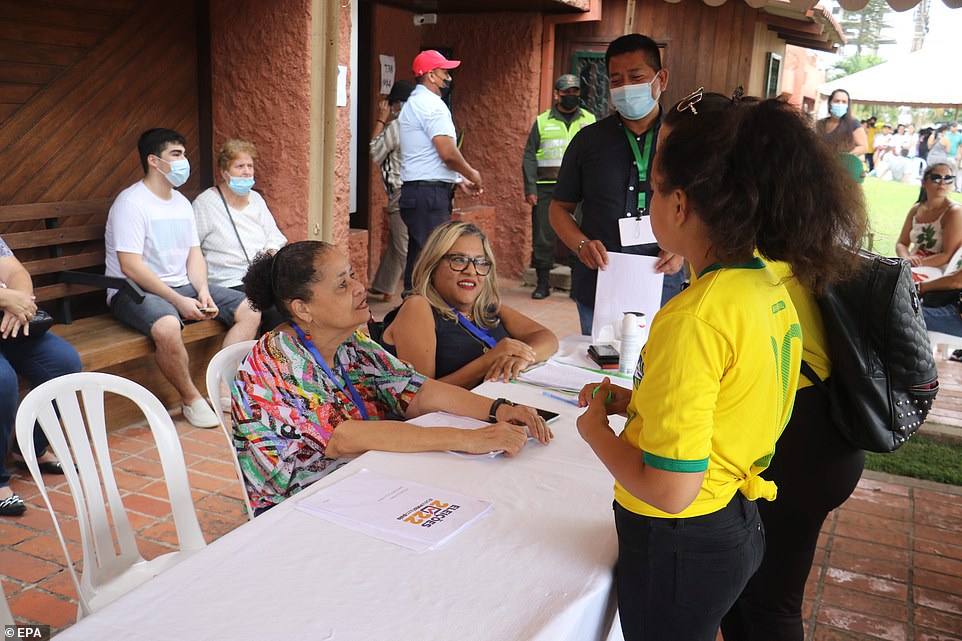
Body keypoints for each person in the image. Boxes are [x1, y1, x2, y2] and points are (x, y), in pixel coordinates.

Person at [573, 97, 867, 640]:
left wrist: (594, 431)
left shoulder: (695, 318)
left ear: (680, 205)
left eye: (656, 190)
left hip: (678, 539)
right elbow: (737, 399)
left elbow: (669, 490)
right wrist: (638, 402)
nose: (652, 202)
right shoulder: (763, 286)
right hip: (736, 518)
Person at [232, 241, 553, 515]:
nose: (359, 287)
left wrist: (499, 409)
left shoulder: (352, 344)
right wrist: (470, 438)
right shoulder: (279, 359)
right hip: (300, 509)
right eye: (342, 284)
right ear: (303, 309)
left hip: (366, 480)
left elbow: (416, 390)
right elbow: (343, 437)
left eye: (353, 276)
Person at [105, 128, 260, 429]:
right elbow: (131, 267)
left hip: (182, 285)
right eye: (176, 155)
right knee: (167, 325)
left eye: (184, 154)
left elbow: (194, 255)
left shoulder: (181, 202)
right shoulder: (131, 203)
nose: (183, 161)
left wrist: (202, 291)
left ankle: (220, 385)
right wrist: (177, 300)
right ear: (153, 160)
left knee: (251, 309)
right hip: (131, 289)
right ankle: (190, 398)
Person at [549, 34, 685, 336]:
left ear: (661, 78)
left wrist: (684, 250)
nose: (626, 88)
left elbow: (704, 208)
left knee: (655, 373)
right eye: (616, 80)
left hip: (663, 284)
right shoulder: (588, 141)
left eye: (636, 77)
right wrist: (580, 244)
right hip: (599, 285)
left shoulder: (683, 142)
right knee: (600, 371)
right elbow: (559, 208)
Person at [380, 221, 558, 388]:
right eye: (458, 260)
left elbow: (546, 337)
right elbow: (420, 393)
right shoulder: (418, 307)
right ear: (433, 265)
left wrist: (522, 358)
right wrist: (489, 360)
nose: (471, 271)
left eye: (480, 262)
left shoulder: (485, 307)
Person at [0, 236, 82, 516]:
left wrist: (20, 301)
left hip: (8, 321)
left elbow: (15, 271)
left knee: (64, 363)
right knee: (2, 381)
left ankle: (29, 449)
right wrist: (4, 297)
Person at [398, 50, 483, 293]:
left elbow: (428, 156)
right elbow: (447, 152)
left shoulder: (416, 102)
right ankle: (430, 317)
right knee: (437, 260)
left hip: (419, 192)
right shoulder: (432, 106)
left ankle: (412, 311)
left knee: (419, 261)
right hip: (429, 195)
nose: (449, 78)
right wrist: (471, 173)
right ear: (432, 75)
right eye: (445, 73)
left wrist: (457, 178)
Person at [192, 139, 287, 332]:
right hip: (228, 281)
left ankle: (278, 356)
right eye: (240, 166)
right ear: (224, 172)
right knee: (269, 307)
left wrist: (269, 253)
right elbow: (192, 247)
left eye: (250, 166)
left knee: (289, 303)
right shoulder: (206, 203)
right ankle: (261, 357)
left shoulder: (256, 199)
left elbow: (275, 235)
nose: (247, 171)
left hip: (260, 276)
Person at [521, 74, 596, 299]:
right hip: (547, 188)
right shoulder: (543, 121)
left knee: (580, 234)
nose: (571, 96)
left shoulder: (590, 119)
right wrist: (530, 188)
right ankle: (543, 284)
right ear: (557, 95)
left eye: (575, 92)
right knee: (544, 236)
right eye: (566, 92)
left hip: (581, 190)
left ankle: (576, 287)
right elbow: (529, 156)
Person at [368, 80, 415, 302]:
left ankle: (416, 294)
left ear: (395, 104)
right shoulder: (420, 123)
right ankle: (383, 285)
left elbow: (375, 151)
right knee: (398, 240)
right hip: (417, 191)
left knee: (403, 245)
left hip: (402, 192)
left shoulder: (398, 125)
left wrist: (380, 119)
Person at [895, 163, 962, 269]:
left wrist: (915, 264)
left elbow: (947, 255)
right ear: (924, 182)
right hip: (913, 266)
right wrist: (906, 258)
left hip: (940, 270)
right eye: (936, 178)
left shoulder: (954, 211)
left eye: (948, 178)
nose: (942, 182)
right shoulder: (916, 209)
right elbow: (902, 243)